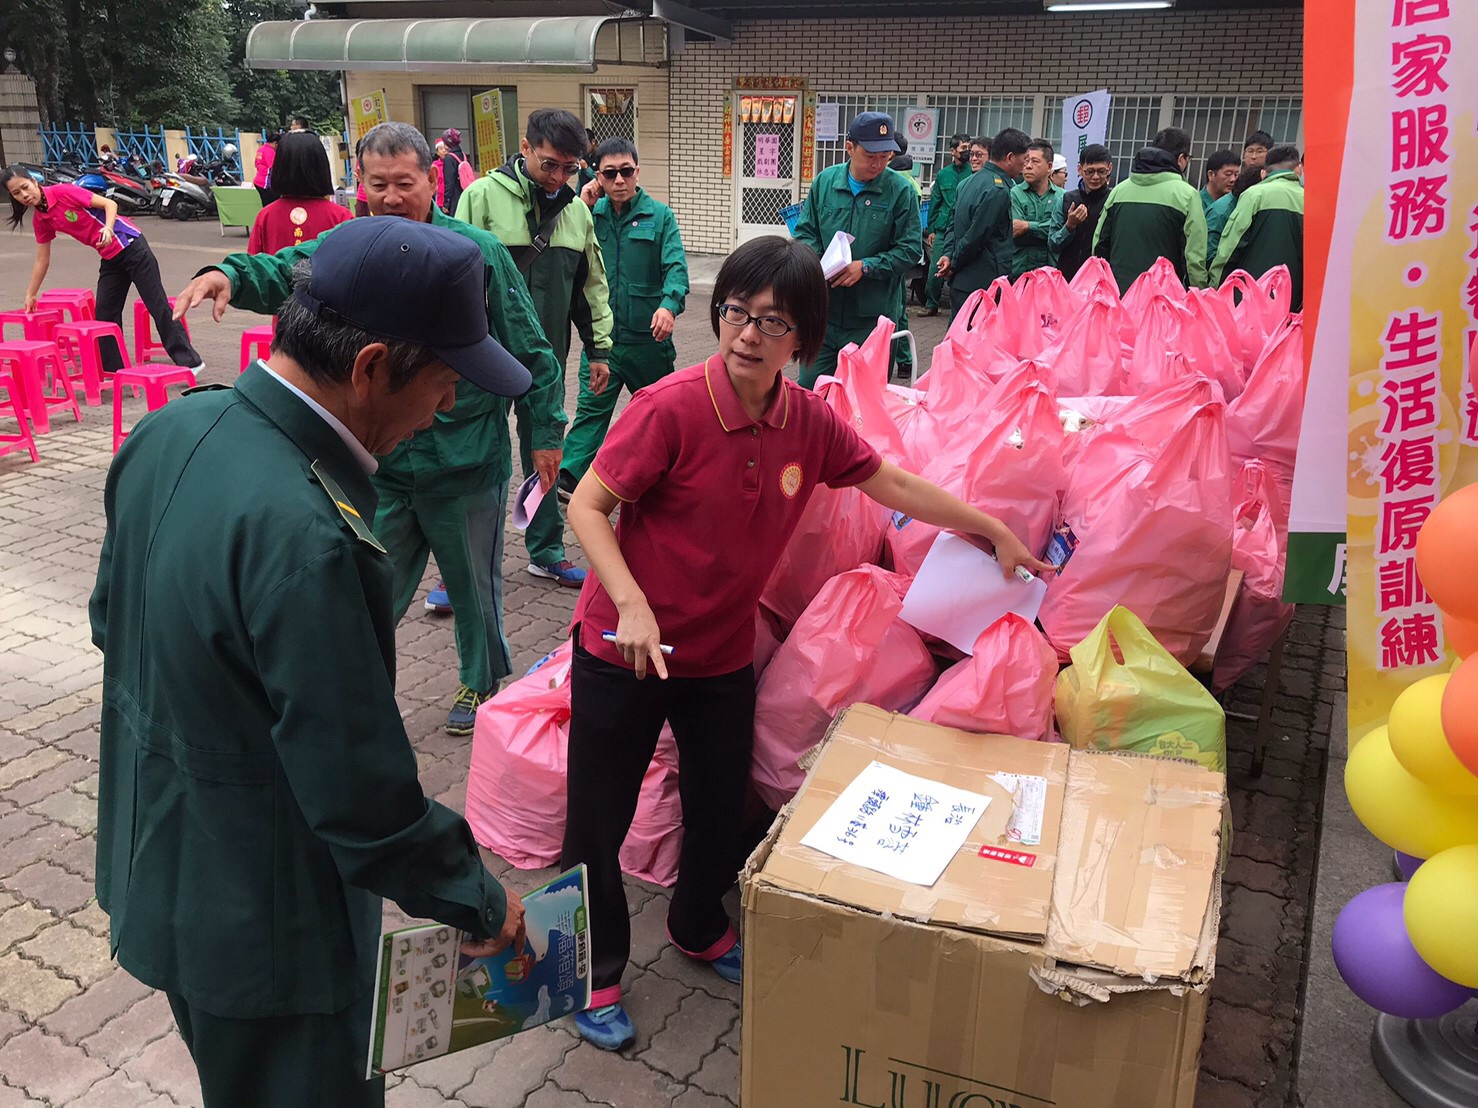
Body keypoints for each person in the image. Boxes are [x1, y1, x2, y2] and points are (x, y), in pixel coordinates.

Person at [560, 235, 1053, 1051]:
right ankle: (592, 970)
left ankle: (696, 924)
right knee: (596, 824)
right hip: (625, 649)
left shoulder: (806, 421)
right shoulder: (672, 407)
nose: (747, 334)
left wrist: (988, 526)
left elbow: (889, 482)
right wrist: (632, 602)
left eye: (772, 321)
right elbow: (586, 507)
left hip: (717, 655)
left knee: (721, 809)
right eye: (735, 314)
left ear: (803, 340)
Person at [91, 217, 530, 1108]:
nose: (445, 408)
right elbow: (360, 794)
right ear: (370, 366)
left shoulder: (178, 428)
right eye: (444, 381)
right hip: (272, 927)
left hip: (161, 869)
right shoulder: (309, 535)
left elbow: (112, 622)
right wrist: (477, 899)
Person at [175, 121, 564, 736]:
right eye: (376, 184)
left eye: (403, 183)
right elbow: (291, 270)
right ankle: (359, 679)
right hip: (384, 465)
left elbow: (532, 353)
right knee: (370, 585)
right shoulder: (356, 242)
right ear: (361, 184)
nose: (389, 197)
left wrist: (544, 432)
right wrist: (231, 275)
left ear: (432, 181)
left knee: (473, 590)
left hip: (464, 463)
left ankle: (479, 679)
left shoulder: (475, 255)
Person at [457, 108, 613, 589]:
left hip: (545, 362)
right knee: (476, 455)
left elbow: (591, 288)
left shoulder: (578, 212)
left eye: (571, 168)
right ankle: (465, 567)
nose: (560, 177)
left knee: (545, 451)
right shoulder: (481, 197)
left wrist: (600, 349)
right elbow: (451, 274)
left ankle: (545, 551)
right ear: (524, 149)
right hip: (481, 357)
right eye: (550, 165)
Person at [559, 137, 688, 496]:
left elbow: (676, 268)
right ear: (597, 176)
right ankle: (569, 477)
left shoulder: (660, 216)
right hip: (602, 342)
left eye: (626, 172)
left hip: (649, 342)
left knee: (660, 413)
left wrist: (669, 304)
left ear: (637, 172)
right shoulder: (586, 213)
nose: (619, 180)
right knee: (590, 410)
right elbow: (563, 258)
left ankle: (671, 472)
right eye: (610, 173)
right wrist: (577, 206)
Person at [5, 165, 203, 375]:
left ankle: (191, 362)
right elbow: (41, 260)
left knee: (157, 304)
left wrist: (108, 228)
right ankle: (113, 371)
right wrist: (31, 293)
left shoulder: (63, 192)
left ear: (35, 182)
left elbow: (109, 203)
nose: (24, 195)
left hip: (131, 246)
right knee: (105, 315)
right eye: (17, 193)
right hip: (110, 257)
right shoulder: (41, 220)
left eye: (25, 187)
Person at [792, 111, 922, 387]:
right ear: (849, 148)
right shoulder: (825, 183)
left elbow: (910, 249)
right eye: (871, 155)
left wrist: (866, 267)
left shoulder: (900, 191)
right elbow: (805, 232)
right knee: (811, 391)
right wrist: (818, 261)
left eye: (885, 156)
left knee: (865, 401)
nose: (878, 164)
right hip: (823, 315)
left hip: (872, 320)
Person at [1093, 126, 1209, 293]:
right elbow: (1194, 258)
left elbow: (1099, 244)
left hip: (1119, 296)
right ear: (1182, 159)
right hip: (1163, 299)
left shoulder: (1119, 191)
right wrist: (1198, 293)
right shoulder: (1187, 195)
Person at [934, 128, 1028, 325]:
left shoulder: (969, 182)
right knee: (976, 345)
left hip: (965, 282)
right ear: (1010, 157)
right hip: (982, 282)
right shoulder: (997, 189)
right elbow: (976, 236)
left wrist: (949, 255)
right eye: (1024, 158)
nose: (1025, 165)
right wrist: (954, 263)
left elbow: (954, 226)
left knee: (960, 338)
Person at [1211, 143, 1304, 308]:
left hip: (1249, 299)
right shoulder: (1310, 201)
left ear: (1263, 173)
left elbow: (1230, 247)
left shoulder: (1254, 195)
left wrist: (1215, 288)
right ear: (1298, 169)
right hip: (1291, 300)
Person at [247, 131, 353, 255]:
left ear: (279, 167)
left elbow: (253, 266)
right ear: (321, 166)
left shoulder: (265, 217)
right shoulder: (341, 217)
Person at [918, 132, 973, 317]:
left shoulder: (973, 172)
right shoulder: (943, 174)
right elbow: (936, 201)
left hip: (965, 227)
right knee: (935, 269)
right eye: (963, 148)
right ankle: (931, 303)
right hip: (943, 228)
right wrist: (932, 228)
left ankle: (961, 308)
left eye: (969, 148)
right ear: (953, 151)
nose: (967, 152)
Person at [1050, 143, 1113, 281]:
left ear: (1109, 168)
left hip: (1101, 281)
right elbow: (1053, 243)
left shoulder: (1113, 200)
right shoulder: (1066, 199)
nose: (1095, 177)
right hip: (1068, 279)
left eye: (1101, 171)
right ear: (1079, 169)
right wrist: (1069, 226)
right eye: (1089, 172)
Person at [1010, 139, 1064, 277]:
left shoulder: (1062, 197)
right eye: (1026, 161)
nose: (1028, 166)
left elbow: (1062, 234)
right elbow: (1015, 230)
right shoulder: (1014, 193)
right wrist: (1049, 230)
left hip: (1051, 274)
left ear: (1049, 166)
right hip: (1020, 273)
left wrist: (1028, 226)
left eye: (1035, 161)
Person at [440, 127, 470, 216]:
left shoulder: (449, 159)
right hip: (464, 195)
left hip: (454, 199)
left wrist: (446, 204)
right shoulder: (463, 155)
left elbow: (449, 183)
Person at [253, 131, 280, 206]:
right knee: (272, 204)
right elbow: (273, 168)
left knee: (265, 204)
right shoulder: (270, 152)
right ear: (275, 143)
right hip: (265, 183)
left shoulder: (261, 149)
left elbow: (256, 164)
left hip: (258, 181)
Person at [432, 139, 447, 210]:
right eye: (441, 149)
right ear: (437, 152)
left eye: (445, 148)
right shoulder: (435, 165)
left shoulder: (451, 163)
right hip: (439, 198)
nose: (444, 150)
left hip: (450, 199)